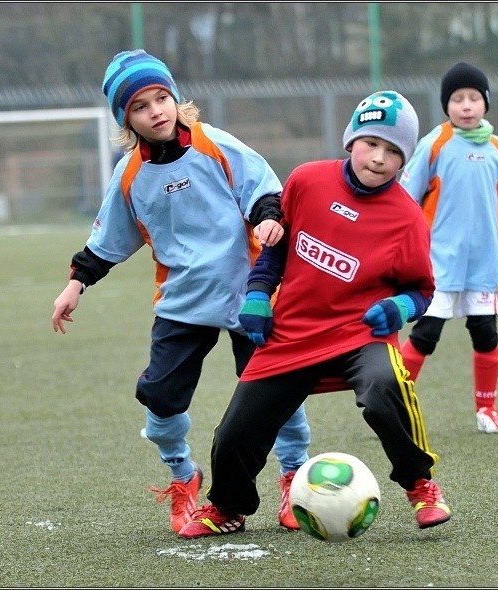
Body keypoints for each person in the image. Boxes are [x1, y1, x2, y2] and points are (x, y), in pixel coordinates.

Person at [50, 49, 311, 534]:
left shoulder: (217, 145)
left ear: (175, 98)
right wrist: (76, 284)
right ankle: (183, 478)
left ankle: (293, 478)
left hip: (247, 295)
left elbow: (263, 190)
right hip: (182, 303)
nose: (157, 110)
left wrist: (269, 218)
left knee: (277, 393)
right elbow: (107, 240)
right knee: (159, 399)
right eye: (141, 105)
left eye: (162, 97)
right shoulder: (129, 175)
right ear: (126, 119)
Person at [177, 90, 453, 539]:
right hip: (293, 334)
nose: (379, 158)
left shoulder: (407, 219)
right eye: (372, 143)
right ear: (351, 141)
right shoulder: (307, 181)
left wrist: (397, 307)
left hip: (358, 335)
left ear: (405, 161)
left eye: (393, 151)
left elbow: (422, 290)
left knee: (387, 386)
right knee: (232, 434)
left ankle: (420, 483)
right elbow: (276, 250)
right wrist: (258, 296)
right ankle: (230, 506)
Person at [398, 62, 498, 434]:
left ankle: (487, 409)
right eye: (457, 98)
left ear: (485, 103)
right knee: (425, 336)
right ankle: (392, 403)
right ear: (446, 105)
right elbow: (405, 199)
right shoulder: (435, 144)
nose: (465, 105)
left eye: (473, 98)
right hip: (439, 263)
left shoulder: (497, 147)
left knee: (485, 333)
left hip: (482, 265)